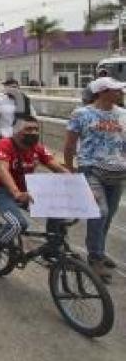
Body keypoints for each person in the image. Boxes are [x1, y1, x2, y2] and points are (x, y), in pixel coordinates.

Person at [64, 76, 126, 283]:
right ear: (102, 92)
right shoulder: (81, 114)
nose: (121, 93)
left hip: (117, 172)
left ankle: (99, 249)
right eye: (116, 90)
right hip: (91, 169)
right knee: (100, 212)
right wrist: (70, 169)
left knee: (109, 216)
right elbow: (70, 144)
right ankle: (95, 257)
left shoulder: (123, 115)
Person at [0, 117, 70, 261]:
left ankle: (51, 250)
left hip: (25, 192)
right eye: (28, 129)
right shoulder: (3, 145)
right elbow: (2, 170)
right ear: (15, 131)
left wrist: (83, 188)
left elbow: (58, 167)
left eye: (36, 129)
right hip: (0, 190)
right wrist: (16, 193)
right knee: (18, 224)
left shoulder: (38, 148)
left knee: (58, 213)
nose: (33, 133)